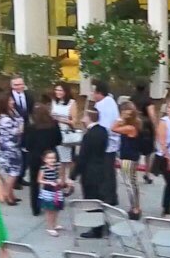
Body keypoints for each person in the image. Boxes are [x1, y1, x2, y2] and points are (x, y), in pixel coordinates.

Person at [74, 108, 117, 237]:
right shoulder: (103, 131)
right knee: (100, 199)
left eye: (84, 117)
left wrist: (73, 175)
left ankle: (96, 229)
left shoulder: (89, 135)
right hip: (101, 169)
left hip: (90, 172)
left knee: (91, 200)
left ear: (89, 118)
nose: (82, 119)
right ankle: (104, 224)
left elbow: (83, 157)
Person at [20, 103, 62, 218]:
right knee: (52, 181)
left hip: (35, 158)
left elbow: (27, 145)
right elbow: (59, 140)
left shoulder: (31, 128)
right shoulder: (54, 125)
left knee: (35, 183)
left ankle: (35, 208)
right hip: (51, 157)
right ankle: (53, 203)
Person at [112, 100, 142, 218]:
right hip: (134, 156)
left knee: (129, 183)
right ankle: (137, 206)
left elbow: (113, 128)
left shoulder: (129, 127)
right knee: (134, 183)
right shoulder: (136, 124)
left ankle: (134, 208)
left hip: (127, 158)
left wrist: (119, 118)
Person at [0, 92, 24, 206]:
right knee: (13, 173)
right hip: (10, 149)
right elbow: (16, 131)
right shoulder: (4, 118)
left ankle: (11, 195)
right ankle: (6, 193)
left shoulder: (13, 111)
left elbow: (20, 120)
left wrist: (20, 126)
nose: (13, 102)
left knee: (11, 172)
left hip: (14, 146)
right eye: (10, 101)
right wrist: (20, 127)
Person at [35, 150, 70, 236]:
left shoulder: (57, 166)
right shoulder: (43, 169)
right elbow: (39, 180)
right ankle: (50, 227)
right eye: (49, 158)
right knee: (49, 210)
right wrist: (49, 182)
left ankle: (55, 224)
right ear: (44, 159)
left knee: (56, 209)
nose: (52, 160)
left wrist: (61, 180)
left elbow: (61, 174)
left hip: (57, 190)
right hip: (48, 191)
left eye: (53, 158)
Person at [91, 82, 121, 157]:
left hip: (105, 144)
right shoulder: (110, 101)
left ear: (99, 93)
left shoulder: (102, 104)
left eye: (93, 92)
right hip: (111, 143)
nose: (92, 94)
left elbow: (104, 125)